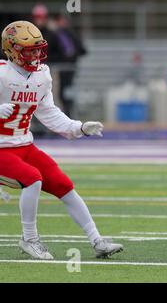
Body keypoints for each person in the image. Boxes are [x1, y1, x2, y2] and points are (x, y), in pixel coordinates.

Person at [0, 21, 123, 259]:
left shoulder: (42, 76)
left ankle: (97, 240)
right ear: (12, 49)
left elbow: (49, 113)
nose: (36, 54)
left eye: (38, 48)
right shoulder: (2, 74)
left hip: (24, 145)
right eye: (30, 50)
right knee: (32, 178)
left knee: (64, 186)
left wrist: (79, 128)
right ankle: (29, 239)